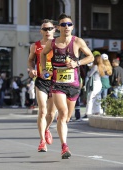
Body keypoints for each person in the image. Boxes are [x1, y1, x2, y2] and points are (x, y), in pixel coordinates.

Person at [40, 13, 94, 159]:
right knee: (62, 114)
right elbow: (43, 55)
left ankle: (49, 130)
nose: (66, 27)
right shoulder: (53, 43)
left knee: (67, 118)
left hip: (74, 85)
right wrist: (44, 69)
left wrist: (77, 63)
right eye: (63, 25)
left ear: (72, 27)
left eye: (69, 24)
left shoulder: (77, 42)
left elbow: (91, 57)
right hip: (58, 84)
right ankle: (64, 146)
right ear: (58, 28)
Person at [28, 19, 57, 153]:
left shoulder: (60, 44)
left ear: (54, 30)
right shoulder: (36, 46)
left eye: (50, 28)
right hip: (41, 81)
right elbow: (30, 60)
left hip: (56, 81)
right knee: (43, 110)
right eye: (44, 29)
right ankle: (42, 141)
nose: (47, 31)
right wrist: (31, 69)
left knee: (51, 113)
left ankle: (46, 129)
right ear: (41, 31)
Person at [83, 51, 104, 118]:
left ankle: (88, 113)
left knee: (90, 98)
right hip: (99, 83)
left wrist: (89, 70)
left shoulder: (95, 67)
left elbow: (89, 74)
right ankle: (97, 111)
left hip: (94, 83)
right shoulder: (101, 66)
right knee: (97, 98)